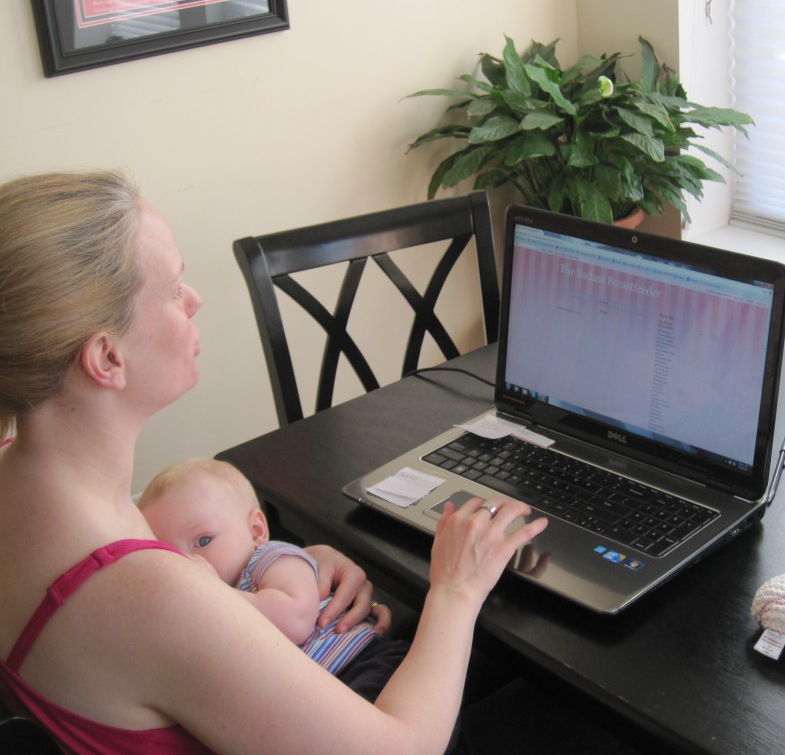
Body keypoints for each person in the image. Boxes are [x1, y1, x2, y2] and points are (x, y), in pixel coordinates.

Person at [0, 169, 549, 754]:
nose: (194, 300)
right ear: (107, 357)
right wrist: (456, 589)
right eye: (171, 290)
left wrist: (279, 563)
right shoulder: (143, 592)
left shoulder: (22, 477)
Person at [139, 457, 405, 697]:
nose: (187, 563)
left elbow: (295, 619)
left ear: (256, 531)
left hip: (361, 663)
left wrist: (214, 594)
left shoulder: (271, 559)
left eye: (203, 540)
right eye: (169, 554)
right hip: (322, 692)